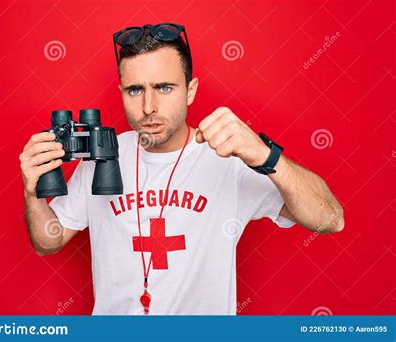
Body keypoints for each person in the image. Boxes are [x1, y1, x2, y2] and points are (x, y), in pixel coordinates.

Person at [19, 23, 344, 315]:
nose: (149, 107)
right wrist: (33, 192)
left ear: (190, 90)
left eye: (164, 88)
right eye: (135, 90)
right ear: (121, 93)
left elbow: (330, 219)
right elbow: (49, 240)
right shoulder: (103, 155)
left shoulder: (228, 159)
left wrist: (265, 156)